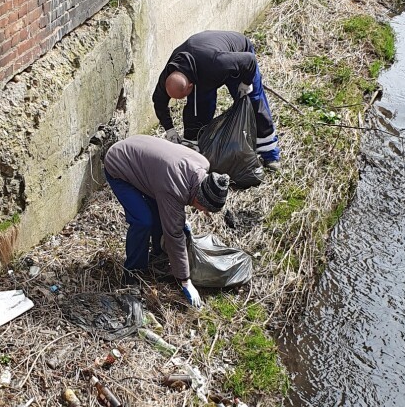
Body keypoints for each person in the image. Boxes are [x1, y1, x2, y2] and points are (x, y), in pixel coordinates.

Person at [103, 133, 229, 309]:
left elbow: (172, 211)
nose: (203, 212)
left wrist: (179, 220)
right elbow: (174, 234)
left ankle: (158, 254)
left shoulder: (202, 166)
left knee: (163, 216)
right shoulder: (175, 187)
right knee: (143, 220)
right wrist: (185, 281)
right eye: (204, 208)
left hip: (142, 155)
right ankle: (133, 272)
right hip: (119, 163)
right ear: (199, 199)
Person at [152, 29, 280, 164]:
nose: (183, 100)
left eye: (183, 96)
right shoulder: (169, 73)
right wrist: (170, 129)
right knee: (198, 107)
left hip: (237, 57)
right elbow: (159, 101)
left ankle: (269, 153)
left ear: (190, 85)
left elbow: (250, 60)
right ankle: (195, 147)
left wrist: (246, 82)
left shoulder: (217, 62)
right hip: (203, 66)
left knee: (252, 102)